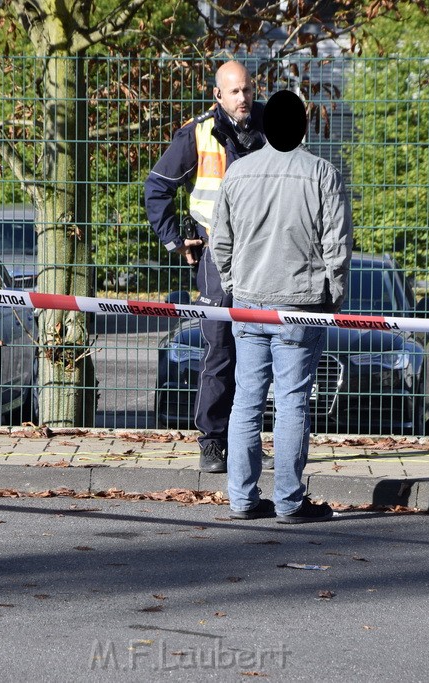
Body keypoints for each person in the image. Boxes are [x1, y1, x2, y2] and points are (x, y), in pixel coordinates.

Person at [211, 90, 353, 524]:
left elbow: (221, 242)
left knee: (246, 402)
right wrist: (334, 295)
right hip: (301, 306)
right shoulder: (323, 174)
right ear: (304, 127)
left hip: (250, 305)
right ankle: (290, 502)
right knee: (292, 403)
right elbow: (338, 247)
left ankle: (242, 499)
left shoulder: (238, 173)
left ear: (264, 126)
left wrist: (236, 284)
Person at [145, 60, 271, 474]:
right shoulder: (197, 133)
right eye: (234, 91)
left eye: (247, 90)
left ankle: (247, 441)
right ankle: (212, 443)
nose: (243, 98)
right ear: (218, 95)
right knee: (219, 347)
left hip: (263, 255)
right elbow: (157, 186)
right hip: (217, 254)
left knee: (257, 350)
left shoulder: (270, 128)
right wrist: (173, 240)